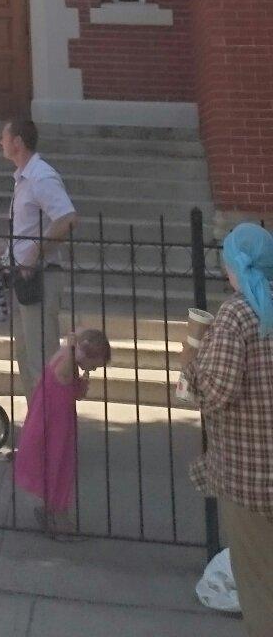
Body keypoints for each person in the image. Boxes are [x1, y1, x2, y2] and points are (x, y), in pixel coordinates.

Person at [182, 223, 273, 636]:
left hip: (249, 478)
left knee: (259, 586)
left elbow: (216, 390)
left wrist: (190, 365)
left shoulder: (238, 313)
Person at [0, 117, 76, 405]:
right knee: (27, 357)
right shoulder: (23, 179)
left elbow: (66, 218)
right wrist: (5, 249)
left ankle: (51, 427)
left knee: (42, 359)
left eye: (4, 137)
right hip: (23, 277)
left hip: (40, 277)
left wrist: (34, 253)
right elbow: (28, 231)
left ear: (17, 142)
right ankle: (37, 426)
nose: (0, 143)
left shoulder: (41, 176)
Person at [14, 327, 111, 535]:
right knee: (60, 466)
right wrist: (77, 351)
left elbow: (73, 390)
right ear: (86, 355)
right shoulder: (68, 363)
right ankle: (59, 518)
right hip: (55, 424)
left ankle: (50, 511)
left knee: (55, 464)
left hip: (50, 418)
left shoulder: (65, 356)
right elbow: (69, 381)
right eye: (94, 365)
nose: (93, 369)